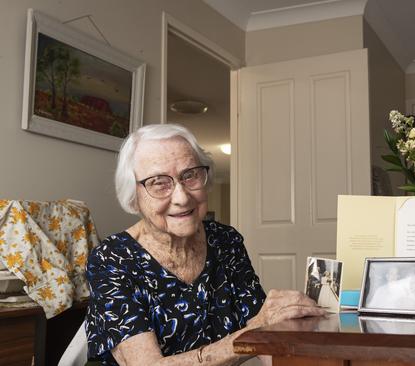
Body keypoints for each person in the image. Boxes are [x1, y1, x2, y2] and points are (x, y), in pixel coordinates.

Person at [85, 124, 325, 365]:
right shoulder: (111, 258)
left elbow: (260, 330)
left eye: (189, 175)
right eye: (159, 183)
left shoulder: (225, 241)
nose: (181, 197)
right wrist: (257, 332)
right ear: (133, 196)